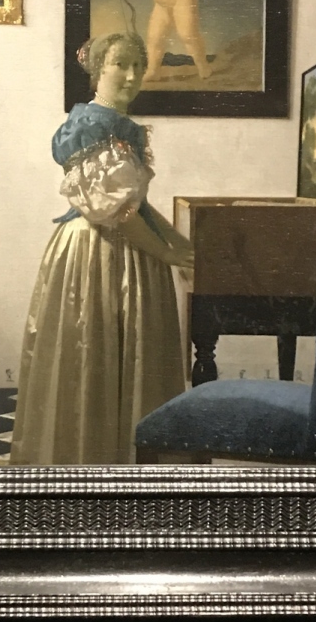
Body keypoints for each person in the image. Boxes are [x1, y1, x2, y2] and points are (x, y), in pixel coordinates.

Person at [10, 32, 193, 465]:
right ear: (98, 70)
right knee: (93, 355)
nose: (131, 76)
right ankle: (90, 460)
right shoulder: (91, 125)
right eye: (120, 64)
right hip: (98, 252)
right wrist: (166, 254)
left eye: (138, 66)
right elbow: (116, 212)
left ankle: (126, 460)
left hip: (125, 247)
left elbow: (135, 204)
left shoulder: (117, 126)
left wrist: (177, 240)